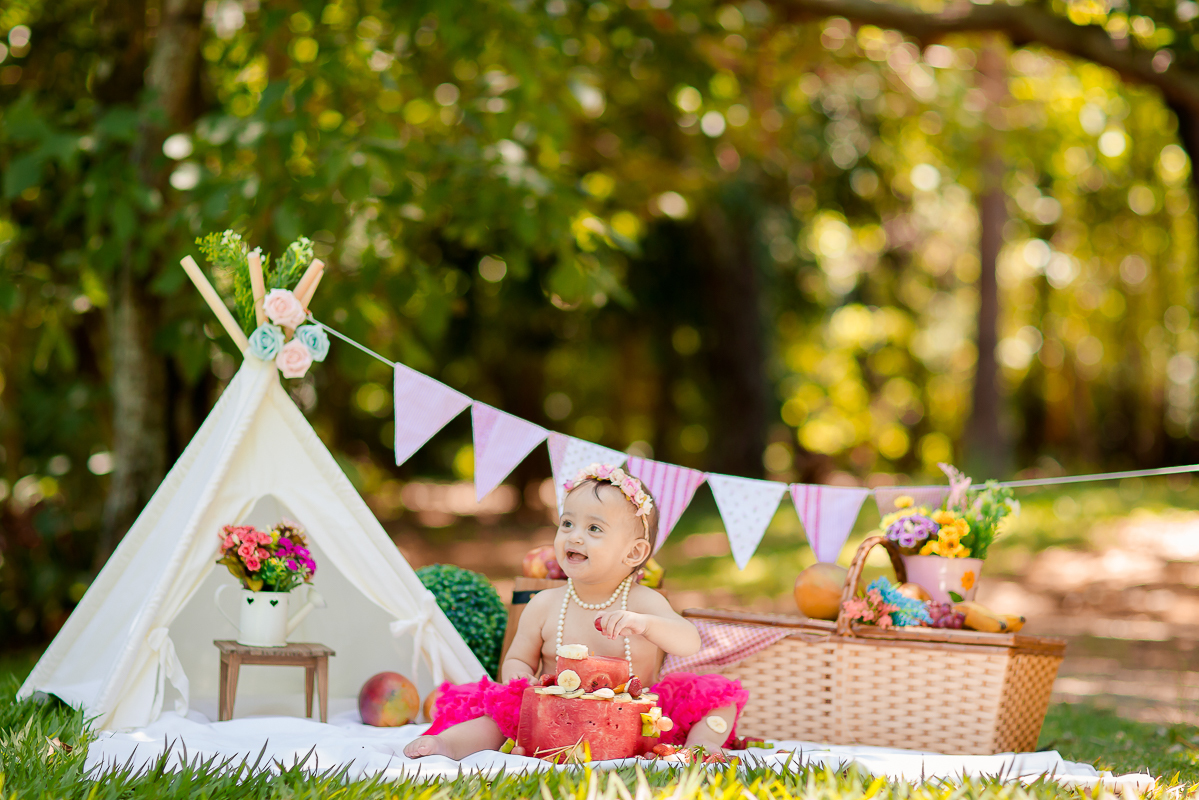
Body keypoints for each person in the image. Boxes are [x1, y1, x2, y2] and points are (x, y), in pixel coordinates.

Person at [403, 463, 749, 761]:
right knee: (501, 714)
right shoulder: (544, 605)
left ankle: (701, 746)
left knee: (716, 696)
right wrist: (522, 682)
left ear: (634, 552)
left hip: (635, 723)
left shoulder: (643, 602)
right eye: (567, 524)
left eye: (594, 529)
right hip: (552, 718)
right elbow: (516, 660)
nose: (575, 537)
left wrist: (646, 625)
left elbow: (689, 642)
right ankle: (448, 745)